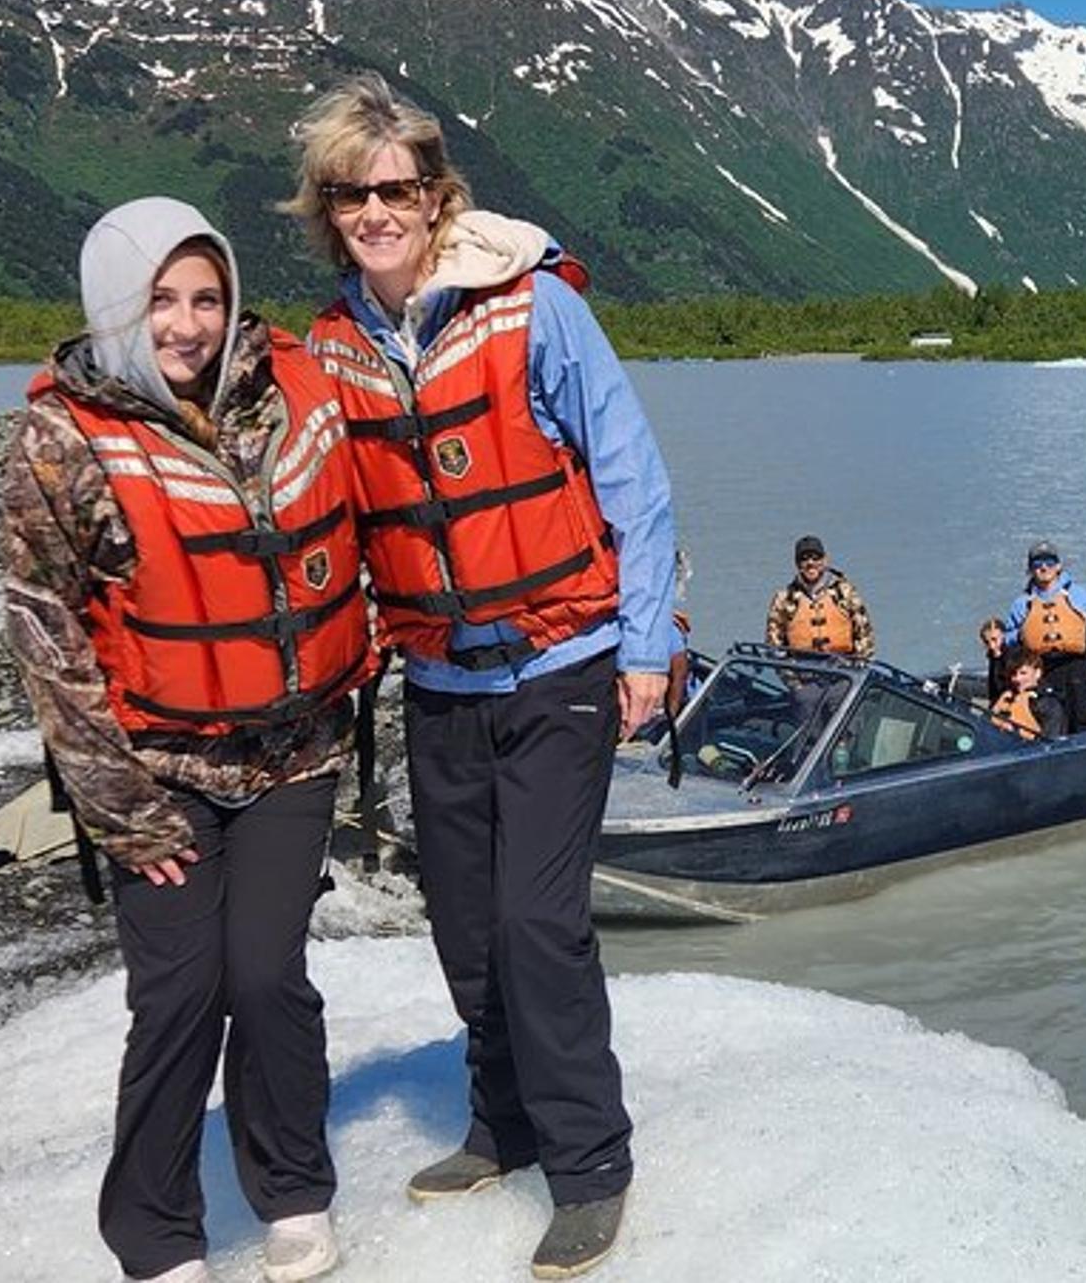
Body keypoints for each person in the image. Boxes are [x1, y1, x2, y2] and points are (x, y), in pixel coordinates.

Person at [286, 73, 674, 1280]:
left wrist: (649, 647)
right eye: (354, 193)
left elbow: (631, 475)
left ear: (436, 195)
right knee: (463, 925)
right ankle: (499, 1120)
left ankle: (589, 1162)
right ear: (329, 208)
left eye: (397, 187)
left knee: (537, 920)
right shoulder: (334, 348)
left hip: (563, 658)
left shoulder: (531, 312)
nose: (377, 209)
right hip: (439, 680)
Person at [2, 198, 370, 1283]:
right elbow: (44, 631)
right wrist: (119, 807)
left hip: (293, 754)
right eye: (158, 299)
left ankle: (293, 1192)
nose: (187, 324)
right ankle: (153, 1234)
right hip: (153, 774)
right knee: (177, 998)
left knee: (266, 980)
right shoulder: (62, 437)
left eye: (207, 297)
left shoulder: (288, 394)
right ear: (113, 303)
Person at [1001, 540, 1086, 733]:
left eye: (1049, 562)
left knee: (1082, 719)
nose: (1043, 567)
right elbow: (1007, 638)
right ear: (1030, 569)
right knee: (1049, 720)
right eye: (1037, 563)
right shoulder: (1022, 603)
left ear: (1058, 566)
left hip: (1076, 667)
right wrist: (1022, 634)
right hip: (1042, 669)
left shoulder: (1078, 594)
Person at [764, 534, 874, 659]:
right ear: (797, 564)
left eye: (816, 558)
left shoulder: (844, 592)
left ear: (825, 560)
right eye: (804, 559)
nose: (810, 563)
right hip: (799, 670)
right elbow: (773, 643)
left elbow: (864, 634)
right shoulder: (784, 598)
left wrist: (858, 665)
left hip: (843, 668)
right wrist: (787, 672)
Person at [989, 648, 1067, 740]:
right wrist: (997, 707)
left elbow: (1051, 743)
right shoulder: (1006, 697)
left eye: (1023, 673)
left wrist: (1014, 732)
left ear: (1037, 673)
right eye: (1013, 674)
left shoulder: (1048, 704)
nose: (1017, 679)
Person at [979, 617, 1010, 696]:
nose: (992, 646)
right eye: (987, 642)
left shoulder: (1012, 655)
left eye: (994, 639)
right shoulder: (991, 657)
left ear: (1003, 635)